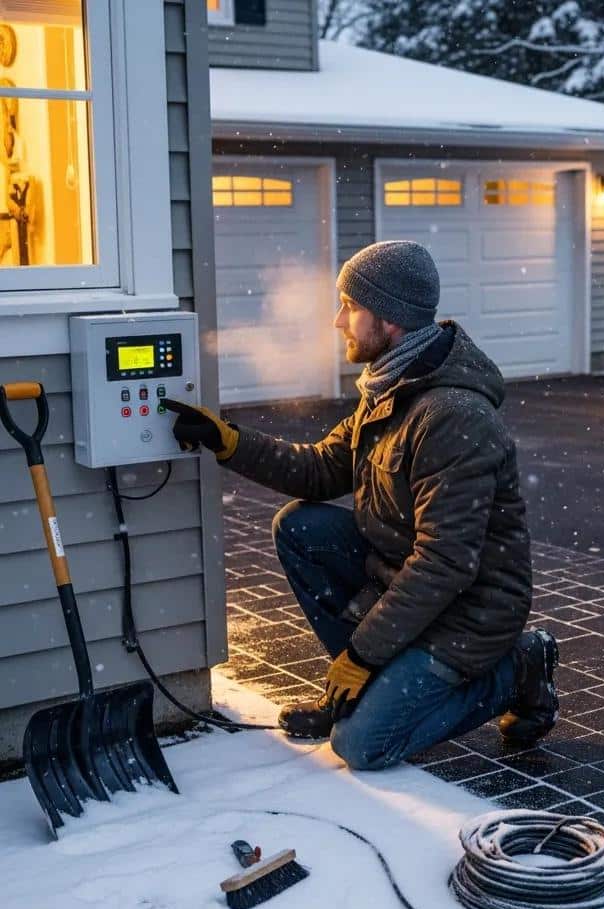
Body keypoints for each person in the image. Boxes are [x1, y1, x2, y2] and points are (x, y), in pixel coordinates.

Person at [164, 240, 558, 770]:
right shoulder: (394, 387)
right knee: (301, 527)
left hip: (468, 614)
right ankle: (370, 684)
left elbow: (446, 563)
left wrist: (361, 653)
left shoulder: (451, 415)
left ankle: (519, 668)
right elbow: (322, 468)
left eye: (349, 306)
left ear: (388, 317)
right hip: (408, 585)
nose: (337, 321)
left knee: (362, 746)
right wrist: (226, 441)